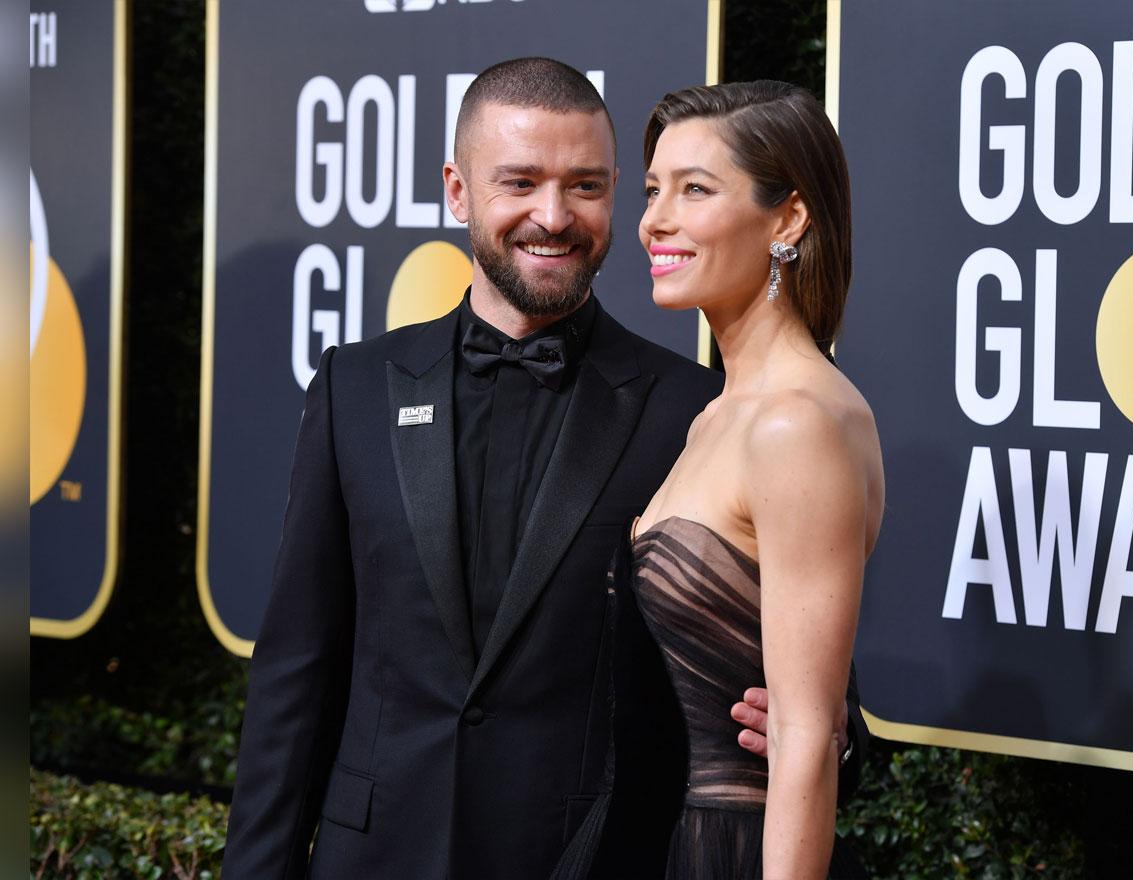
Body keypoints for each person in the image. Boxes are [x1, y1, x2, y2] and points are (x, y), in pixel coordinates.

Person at [222, 58, 865, 880]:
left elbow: (804, 690)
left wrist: (815, 731)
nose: (553, 217)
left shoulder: (694, 411)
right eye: (519, 182)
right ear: (457, 190)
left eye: (587, 186)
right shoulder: (355, 388)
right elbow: (294, 677)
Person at [611, 81, 885, 878]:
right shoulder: (719, 413)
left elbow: (803, 740)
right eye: (654, 189)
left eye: (695, 190)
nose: (655, 219)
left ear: (788, 218)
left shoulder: (795, 423)